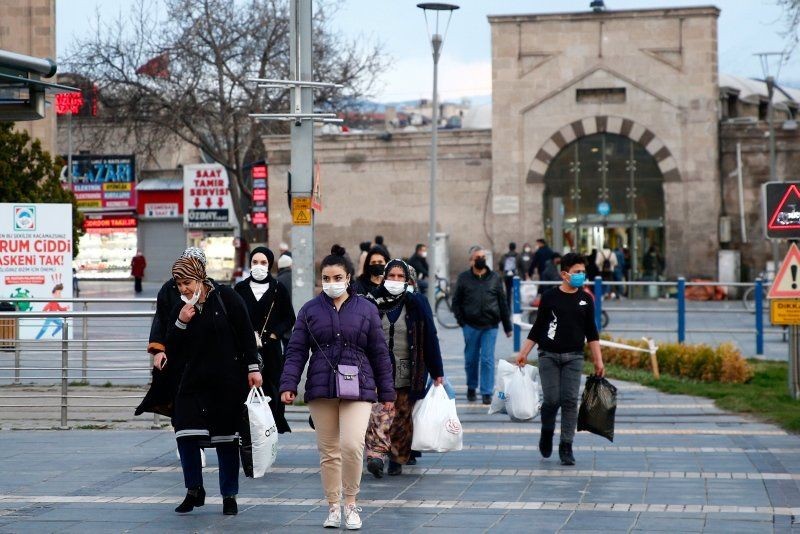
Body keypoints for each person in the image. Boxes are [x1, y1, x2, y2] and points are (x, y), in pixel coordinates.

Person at [280, 245, 395, 530]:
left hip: (360, 386)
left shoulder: (367, 309)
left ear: (349, 277)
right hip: (321, 387)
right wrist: (289, 384)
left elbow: (380, 352)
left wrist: (388, 392)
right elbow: (296, 351)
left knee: (352, 445)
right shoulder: (309, 310)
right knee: (329, 450)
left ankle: (351, 504)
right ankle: (333, 506)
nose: (331, 283)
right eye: (326, 278)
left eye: (337, 277)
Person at [166, 255, 263, 516]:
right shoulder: (181, 307)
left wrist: (253, 367)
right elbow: (172, 348)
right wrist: (181, 322)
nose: (183, 289)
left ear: (200, 278)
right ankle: (194, 490)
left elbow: (245, 333)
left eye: (187, 282)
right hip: (192, 382)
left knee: (225, 440)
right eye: (179, 284)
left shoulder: (226, 297)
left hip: (226, 382)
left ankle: (229, 495)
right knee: (185, 434)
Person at [515, 252, 605, 466]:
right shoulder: (550, 297)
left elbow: (592, 332)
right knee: (552, 400)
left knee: (569, 401)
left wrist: (598, 360)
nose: (581, 276)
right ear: (565, 274)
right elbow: (538, 328)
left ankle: (566, 445)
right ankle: (547, 432)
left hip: (574, 357)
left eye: (583, 272)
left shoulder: (585, 299)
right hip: (548, 355)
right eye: (577, 272)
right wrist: (524, 352)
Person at [364, 259, 445, 478]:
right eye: (392, 276)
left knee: (401, 417)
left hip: (406, 370)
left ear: (407, 280)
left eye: (401, 277)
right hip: (376, 370)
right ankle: (376, 456)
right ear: (384, 277)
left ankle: (397, 457)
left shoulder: (416, 303)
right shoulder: (371, 302)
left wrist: (437, 370)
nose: (396, 281)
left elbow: (430, 337)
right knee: (377, 414)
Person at [234, 246, 295, 434]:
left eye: (263, 263)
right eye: (254, 262)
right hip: (246, 350)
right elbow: (233, 317)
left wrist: (275, 334)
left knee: (272, 388)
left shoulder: (278, 288)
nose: (258, 266)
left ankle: (271, 429)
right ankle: (247, 429)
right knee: (246, 389)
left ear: (270, 265)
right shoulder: (240, 288)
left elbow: (289, 317)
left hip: (271, 350)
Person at [451, 246, 512, 404]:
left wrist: (507, 326)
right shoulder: (464, 278)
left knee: (487, 359)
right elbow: (456, 302)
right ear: (471, 260)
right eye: (478, 257)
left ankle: (486, 391)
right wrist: (461, 321)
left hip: (490, 326)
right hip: (470, 326)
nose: (481, 259)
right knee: (471, 359)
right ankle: (471, 387)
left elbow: (502, 302)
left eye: (483, 257)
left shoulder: (494, 278)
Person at [499, 242, 521, 311]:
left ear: (509, 247)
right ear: (515, 247)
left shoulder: (504, 256)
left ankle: (508, 307)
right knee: (516, 291)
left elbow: (501, 265)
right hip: (515, 276)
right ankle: (517, 307)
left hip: (506, 276)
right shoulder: (518, 256)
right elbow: (521, 265)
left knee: (508, 292)